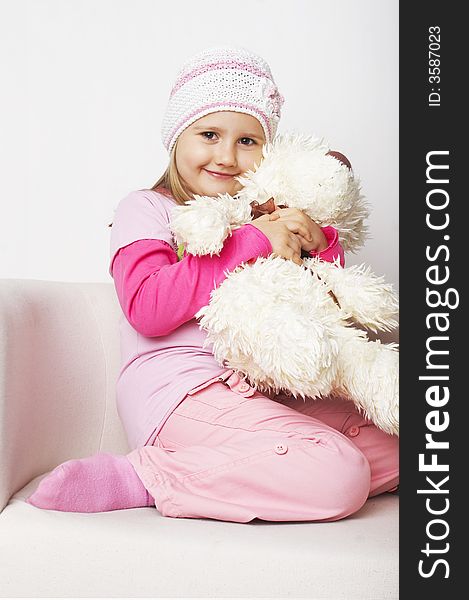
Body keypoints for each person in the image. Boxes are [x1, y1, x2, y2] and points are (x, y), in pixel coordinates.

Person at [26, 46, 398, 522]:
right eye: (209, 134)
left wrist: (317, 245)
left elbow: (326, 314)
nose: (226, 156)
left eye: (248, 141)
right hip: (182, 392)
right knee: (340, 473)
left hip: (268, 389)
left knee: (405, 443)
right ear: (177, 138)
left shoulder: (270, 216)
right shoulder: (145, 208)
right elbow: (147, 306)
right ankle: (147, 477)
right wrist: (251, 241)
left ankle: (255, 469)